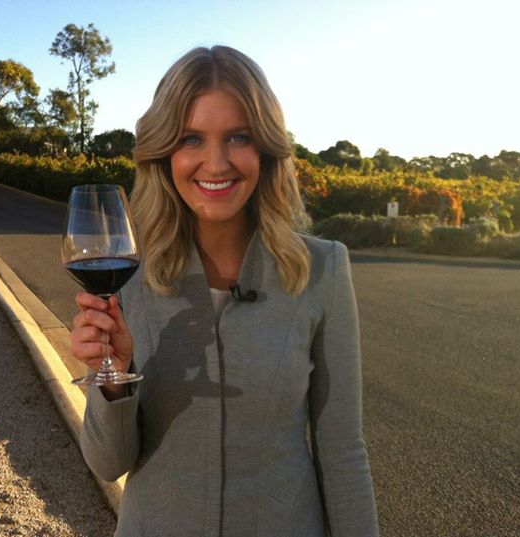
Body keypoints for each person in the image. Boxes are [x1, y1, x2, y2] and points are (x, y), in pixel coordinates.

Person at [71, 45, 379, 536]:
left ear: (266, 149)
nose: (215, 164)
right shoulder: (129, 275)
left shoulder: (324, 269)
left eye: (238, 137)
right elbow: (108, 464)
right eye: (191, 138)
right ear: (164, 152)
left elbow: (343, 452)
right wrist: (111, 379)